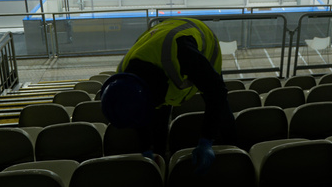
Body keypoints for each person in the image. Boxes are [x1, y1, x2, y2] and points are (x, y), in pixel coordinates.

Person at [99, 18, 234, 174]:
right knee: (159, 119)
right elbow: (139, 115)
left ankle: (233, 146)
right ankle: (160, 160)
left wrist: (206, 140)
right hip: (162, 41)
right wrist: (146, 149)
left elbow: (217, 92)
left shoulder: (183, 55)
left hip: (200, 44)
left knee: (220, 107)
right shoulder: (124, 82)